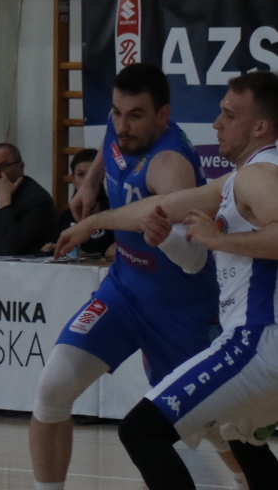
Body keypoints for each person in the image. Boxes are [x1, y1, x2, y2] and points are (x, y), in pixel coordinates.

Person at [56, 72, 278, 490]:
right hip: (265, 345)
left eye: (229, 115)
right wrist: (94, 222)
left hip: (260, 341)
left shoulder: (258, 175)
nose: (217, 123)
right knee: (239, 437)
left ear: (260, 127)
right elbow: (163, 206)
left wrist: (220, 240)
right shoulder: (243, 177)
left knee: (141, 431)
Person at [29, 64, 217, 490]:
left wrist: (165, 239)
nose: (121, 125)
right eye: (116, 112)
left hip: (181, 312)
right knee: (53, 388)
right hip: (123, 291)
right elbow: (110, 145)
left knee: (222, 430)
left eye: (134, 115)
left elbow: (195, 260)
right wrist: (89, 184)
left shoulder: (169, 166)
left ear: (163, 116)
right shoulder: (122, 128)